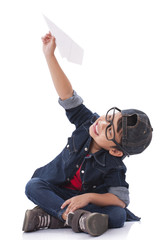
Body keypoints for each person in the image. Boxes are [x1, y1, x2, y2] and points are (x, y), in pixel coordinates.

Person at [22, 32, 153, 236]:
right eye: (109, 117)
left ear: (116, 151)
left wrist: (89, 197)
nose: (101, 123)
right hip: (59, 192)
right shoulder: (87, 122)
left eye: (109, 130)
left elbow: (120, 199)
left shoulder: (114, 165)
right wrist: (50, 56)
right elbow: (68, 96)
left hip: (83, 200)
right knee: (33, 186)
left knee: (118, 215)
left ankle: (51, 217)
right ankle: (73, 218)